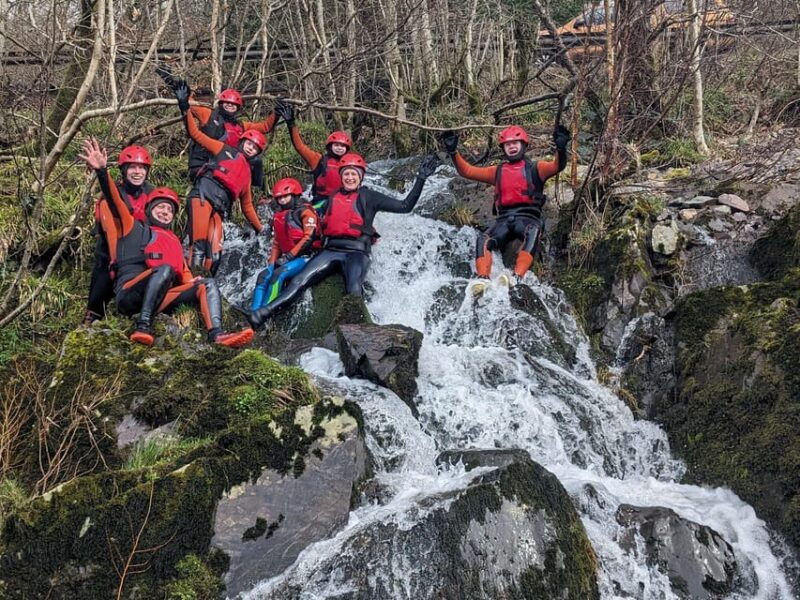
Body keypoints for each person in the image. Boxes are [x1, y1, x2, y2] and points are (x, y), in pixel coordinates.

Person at [79, 138, 254, 347]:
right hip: (130, 292)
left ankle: (218, 335)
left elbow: (185, 274)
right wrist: (101, 171)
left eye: (169, 210)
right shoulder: (131, 226)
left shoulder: (173, 242)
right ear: (149, 210)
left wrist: (193, 282)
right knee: (162, 269)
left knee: (206, 284)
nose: (165, 212)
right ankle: (141, 326)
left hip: (159, 295)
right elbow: (115, 201)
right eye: (160, 207)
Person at [248, 153, 440, 328]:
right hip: (330, 250)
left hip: (356, 252)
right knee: (299, 280)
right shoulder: (332, 197)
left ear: (360, 177)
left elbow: (405, 206)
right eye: (346, 174)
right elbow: (308, 212)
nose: (349, 177)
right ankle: (262, 314)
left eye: (353, 174)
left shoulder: (369, 197)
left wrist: (421, 179)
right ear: (341, 176)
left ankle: (359, 332)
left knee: (353, 288)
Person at [440, 124, 570, 279]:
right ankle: (482, 278)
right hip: (503, 220)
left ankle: (517, 276)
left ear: (524, 145)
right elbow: (467, 171)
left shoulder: (536, 169)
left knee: (533, 232)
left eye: (515, 143)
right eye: (508, 145)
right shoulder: (497, 171)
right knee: (483, 239)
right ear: (503, 148)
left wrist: (561, 148)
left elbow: (557, 166)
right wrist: (453, 152)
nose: (512, 147)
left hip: (528, 218)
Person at [172, 79, 265, 273]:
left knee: (214, 257)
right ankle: (189, 283)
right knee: (198, 249)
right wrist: (184, 107)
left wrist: (262, 230)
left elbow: (247, 208)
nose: (251, 148)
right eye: (249, 144)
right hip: (203, 197)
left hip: (219, 209)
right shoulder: (222, 149)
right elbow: (195, 134)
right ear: (242, 141)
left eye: (255, 148)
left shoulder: (247, 176)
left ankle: (203, 284)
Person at [156, 66, 277, 182]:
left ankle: (255, 189)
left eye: (233, 104)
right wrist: (170, 79)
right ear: (221, 103)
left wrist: (277, 112)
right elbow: (187, 101)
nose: (230, 105)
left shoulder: (240, 125)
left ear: (238, 108)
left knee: (256, 161)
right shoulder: (207, 114)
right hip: (204, 166)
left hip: (227, 167)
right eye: (227, 103)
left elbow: (265, 127)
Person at [85, 145, 154, 324]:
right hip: (112, 252)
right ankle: (93, 315)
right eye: (132, 167)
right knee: (103, 274)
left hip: (140, 252)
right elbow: (111, 231)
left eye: (141, 168)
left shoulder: (151, 193)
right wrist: (117, 261)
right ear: (124, 171)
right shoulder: (112, 196)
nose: (137, 172)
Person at [251, 177, 321, 310]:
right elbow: (277, 242)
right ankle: (254, 311)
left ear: (294, 195)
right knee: (263, 276)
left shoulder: (306, 212)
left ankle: (265, 311)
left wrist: (289, 256)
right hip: (289, 258)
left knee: (278, 275)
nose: (282, 200)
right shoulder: (279, 216)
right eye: (279, 198)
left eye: (285, 197)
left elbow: (308, 238)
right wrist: (272, 263)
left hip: (307, 257)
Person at [274, 100, 351, 211]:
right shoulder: (318, 160)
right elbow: (300, 147)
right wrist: (291, 124)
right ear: (330, 146)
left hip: (344, 201)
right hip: (321, 202)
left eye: (343, 146)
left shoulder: (351, 163)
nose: (339, 148)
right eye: (336, 145)